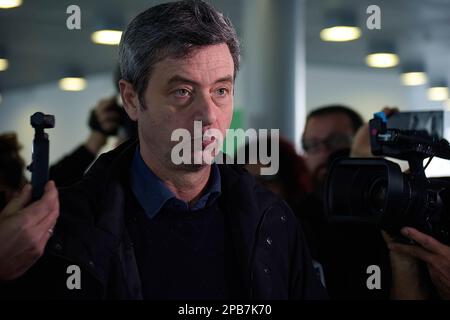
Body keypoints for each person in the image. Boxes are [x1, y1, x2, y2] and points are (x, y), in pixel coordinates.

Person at [1, 0, 326, 300]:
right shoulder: (65, 230)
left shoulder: (272, 220)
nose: (209, 115)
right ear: (131, 99)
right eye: (183, 91)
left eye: (221, 90)